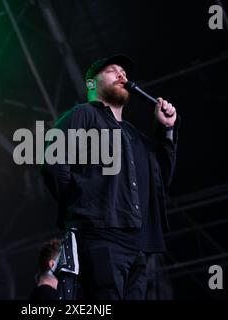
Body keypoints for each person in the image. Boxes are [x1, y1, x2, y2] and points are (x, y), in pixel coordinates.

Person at [40, 54, 179, 300]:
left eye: (124, 72)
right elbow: (53, 160)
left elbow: (159, 181)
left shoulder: (134, 135)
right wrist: (82, 204)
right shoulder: (84, 114)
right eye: (112, 70)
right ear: (92, 84)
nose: (122, 75)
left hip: (137, 247)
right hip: (100, 237)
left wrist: (166, 130)